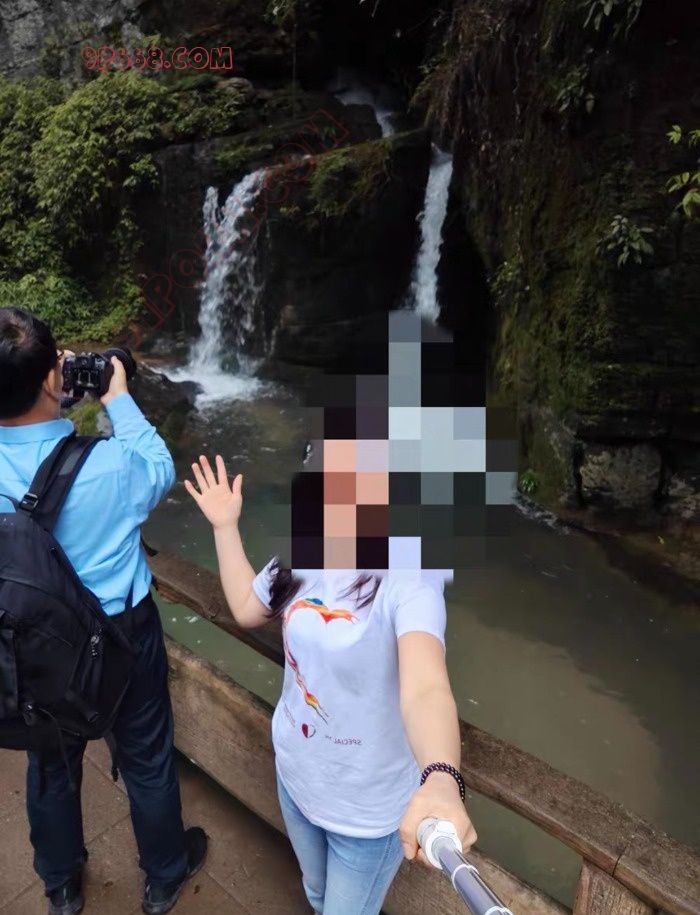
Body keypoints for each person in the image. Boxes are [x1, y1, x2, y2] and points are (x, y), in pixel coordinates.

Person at [185, 432, 477, 915]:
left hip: (365, 810)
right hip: (296, 776)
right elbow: (245, 607)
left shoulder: (412, 575)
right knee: (317, 893)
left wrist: (442, 777)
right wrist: (225, 526)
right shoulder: (303, 554)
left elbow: (426, 688)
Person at [0, 308, 207, 915]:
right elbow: (159, 467)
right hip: (121, 636)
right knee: (146, 756)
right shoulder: (110, 464)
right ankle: (164, 876)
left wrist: (48, 401)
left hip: (31, 640)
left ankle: (61, 885)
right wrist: (115, 396)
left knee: (51, 761)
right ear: (50, 378)